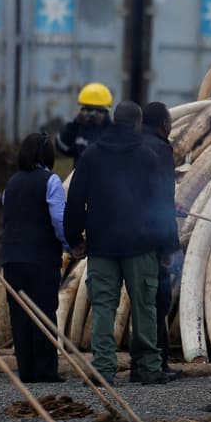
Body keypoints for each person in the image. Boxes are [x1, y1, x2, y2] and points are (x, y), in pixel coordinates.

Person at [64, 102, 171, 385]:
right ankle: (148, 369)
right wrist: (166, 246)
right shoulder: (147, 157)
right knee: (144, 307)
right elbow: (162, 204)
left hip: (102, 247)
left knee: (102, 308)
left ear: (114, 121)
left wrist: (74, 239)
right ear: (137, 123)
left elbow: (75, 201)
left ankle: (103, 369)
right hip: (141, 246)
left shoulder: (91, 156)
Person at [1, 132, 71, 384]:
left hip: (11, 259)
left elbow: (8, 218)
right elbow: (59, 220)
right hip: (41, 260)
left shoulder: (11, 183)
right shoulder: (50, 181)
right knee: (43, 314)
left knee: (19, 317)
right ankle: (45, 371)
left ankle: (26, 371)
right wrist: (70, 245)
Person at [141, 101, 181, 381]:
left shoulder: (131, 146)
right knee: (159, 299)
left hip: (128, 236)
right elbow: (163, 199)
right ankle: (157, 363)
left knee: (142, 301)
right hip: (154, 238)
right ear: (163, 125)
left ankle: (141, 363)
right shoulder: (160, 149)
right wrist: (170, 245)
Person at [56, 82, 112, 167]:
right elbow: (62, 146)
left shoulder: (112, 131)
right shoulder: (79, 127)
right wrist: (75, 123)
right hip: (80, 178)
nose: (92, 114)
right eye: (88, 109)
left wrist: (104, 124)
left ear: (105, 111)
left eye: (97, 110)